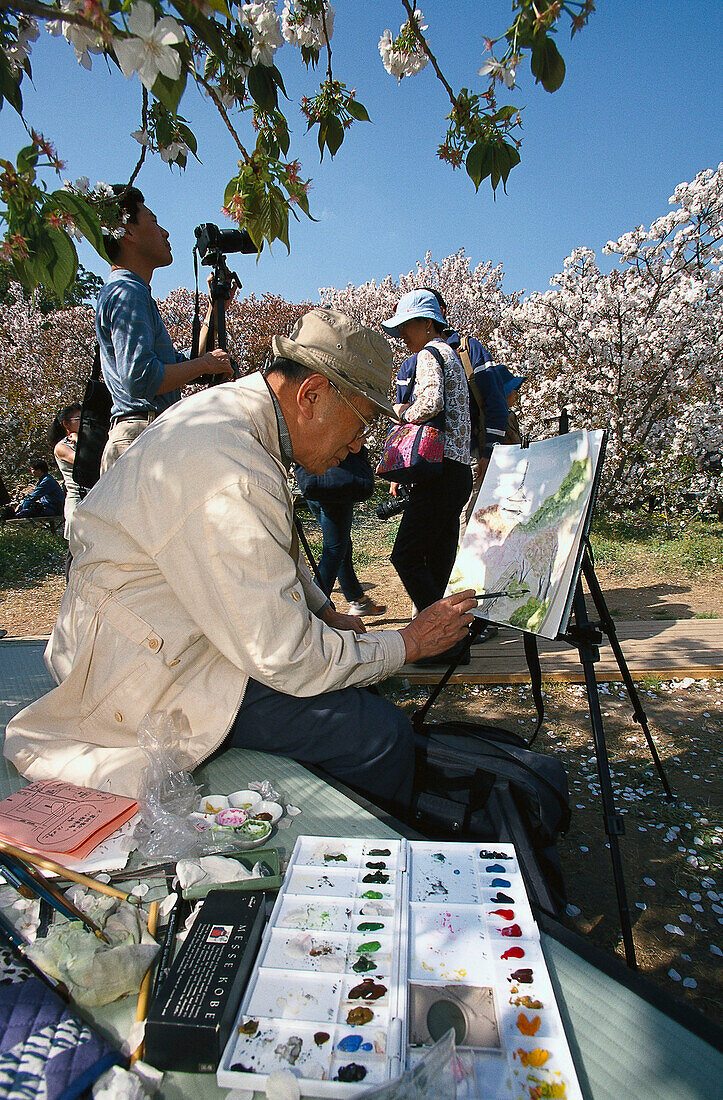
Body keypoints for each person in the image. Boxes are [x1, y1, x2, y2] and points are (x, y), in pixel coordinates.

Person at [4, 308, 477, 812]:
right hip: (141, 670)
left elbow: (268, 552)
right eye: (361, 423)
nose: (360, 445)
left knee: (356, 691)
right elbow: (285, 656)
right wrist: (406, 642)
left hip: (150, 636)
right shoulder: (231, 467)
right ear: (312, 396)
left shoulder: (229, 417)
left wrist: (324, 613)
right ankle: (368, 855)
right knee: (374, 734)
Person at [97, 185, 234, 474]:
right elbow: (141, 378)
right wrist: (206, 363)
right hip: (142, 435)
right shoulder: (127, 292)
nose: (165, 233)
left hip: (144, 431)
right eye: (154, 221)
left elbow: (173, 367)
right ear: (128, 232)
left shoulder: (130, 291)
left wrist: (214, 308)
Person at [381, 290, 473, 664]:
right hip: (457, 472)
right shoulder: (452, 355)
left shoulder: (428, 355)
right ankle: (451, 645)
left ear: (426, 323)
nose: (403, 334)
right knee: (438, 563)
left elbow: (430, 404)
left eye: (406, 326)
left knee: (405, 555)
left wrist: (400, 411)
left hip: (436, 474)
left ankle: (444, 638)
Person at [295, 447, 387, 617]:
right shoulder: (339, 422)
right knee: (334, 549)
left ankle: (358, 600)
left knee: (340, 544)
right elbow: (352, 442)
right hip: (335, 483)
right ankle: (314, 609)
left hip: (312, 482)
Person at [50, 403, 83, 580]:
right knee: (74, 549)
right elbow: (82, 461)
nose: (83, 420)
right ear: (66, 424)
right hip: (76, 500)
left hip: (91, 498)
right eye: (78, 419)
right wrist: (79, 440)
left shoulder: (88, 440)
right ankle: (70, 587)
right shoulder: (61, 447)